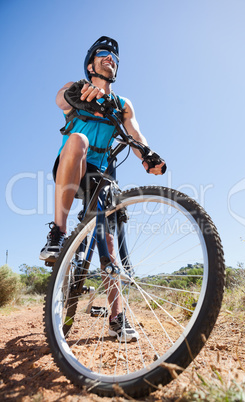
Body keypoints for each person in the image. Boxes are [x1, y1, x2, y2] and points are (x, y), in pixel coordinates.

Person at [40, 36, 166, 341]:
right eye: (103, 54)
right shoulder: (77, 88)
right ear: (90, 64)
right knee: (79, 140)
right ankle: (58, 232)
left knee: (109, 247)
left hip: (103, 176)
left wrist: (148, 156)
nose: (111, 57)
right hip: (73, 166)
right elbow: (59, 98)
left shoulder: (122, 104)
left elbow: (136, 135)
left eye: (114, 56)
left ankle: (116, 319)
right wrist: (79, 94)